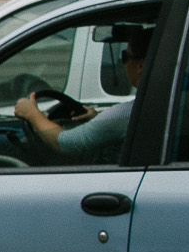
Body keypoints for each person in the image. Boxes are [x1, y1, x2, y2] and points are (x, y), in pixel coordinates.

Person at [14, 29, 148, 164]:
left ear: (140, 65)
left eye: (124, 56)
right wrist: (97, 119)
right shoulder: (152, 107)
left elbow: (63, 143)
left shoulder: (130, 113)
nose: (122, 63)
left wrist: (31, 113)